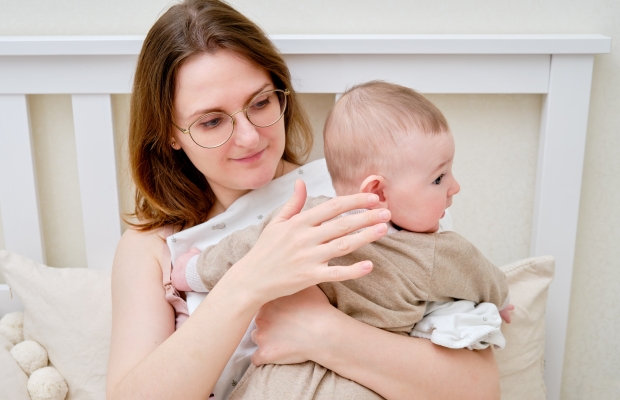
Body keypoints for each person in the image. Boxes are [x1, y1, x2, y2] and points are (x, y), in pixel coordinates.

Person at [106, 1, 501, 399]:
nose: (249, 136)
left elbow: (480, 390)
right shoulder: (152, 249)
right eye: (212, 121)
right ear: (170, 133)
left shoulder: (369, 191)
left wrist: (322, 333)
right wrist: (247, 285)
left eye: (260, 103)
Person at [171, 81, 510, 399]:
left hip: (300, 375)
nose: (454, 187)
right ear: (376, 191)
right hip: (342, 379)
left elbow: (242, 247)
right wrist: (498, 300)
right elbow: (482, 276)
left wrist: (192, 270)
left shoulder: (306, 217)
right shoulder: (433, 251)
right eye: (439, 178)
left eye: (261, 102)